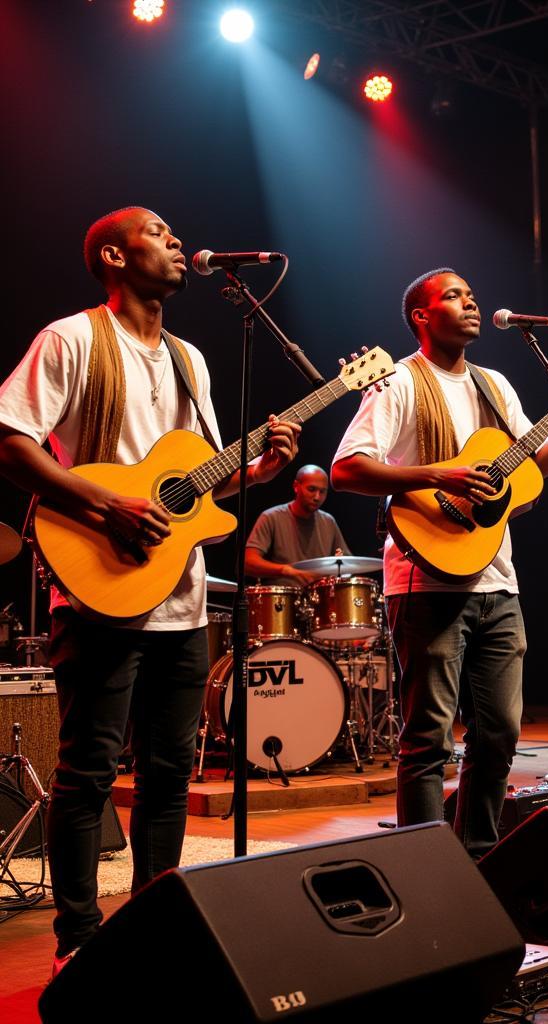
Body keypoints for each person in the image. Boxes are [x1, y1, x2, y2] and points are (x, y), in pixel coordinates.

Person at [0, 207, 300, 974]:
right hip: (98, 587)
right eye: (157, 232)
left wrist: (257, 471)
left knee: (170, 771)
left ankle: (154, 924)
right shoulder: (70, 339)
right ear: (113, 254)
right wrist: (105, 505)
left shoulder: (190, 361)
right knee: (89, 771)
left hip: (183, 599)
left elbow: (193, 488)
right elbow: (9, 440)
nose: (175, 241)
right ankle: (78, 940)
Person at [331, 267, 548, 856]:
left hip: (497, 581)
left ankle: (479, 856)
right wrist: (439, 474)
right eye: (454, 296)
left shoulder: (495, 386)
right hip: (424, 580)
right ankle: (423, 866)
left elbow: (530, 468)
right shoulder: (398, 383)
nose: (471, 303)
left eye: (473, 294)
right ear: (422, 317)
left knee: (501, 731)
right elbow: (347, 468)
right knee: (428, 737)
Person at [245, 464, 351, 588]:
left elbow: (349, 564)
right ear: (296, 486)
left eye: (322, 492)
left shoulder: (328, 521)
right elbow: (247, 563)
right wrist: (286, 570)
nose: (317, 497)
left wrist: (339, 567)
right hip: (282, 601)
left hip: (319, 600)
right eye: (311, 489)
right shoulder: (271, 517)